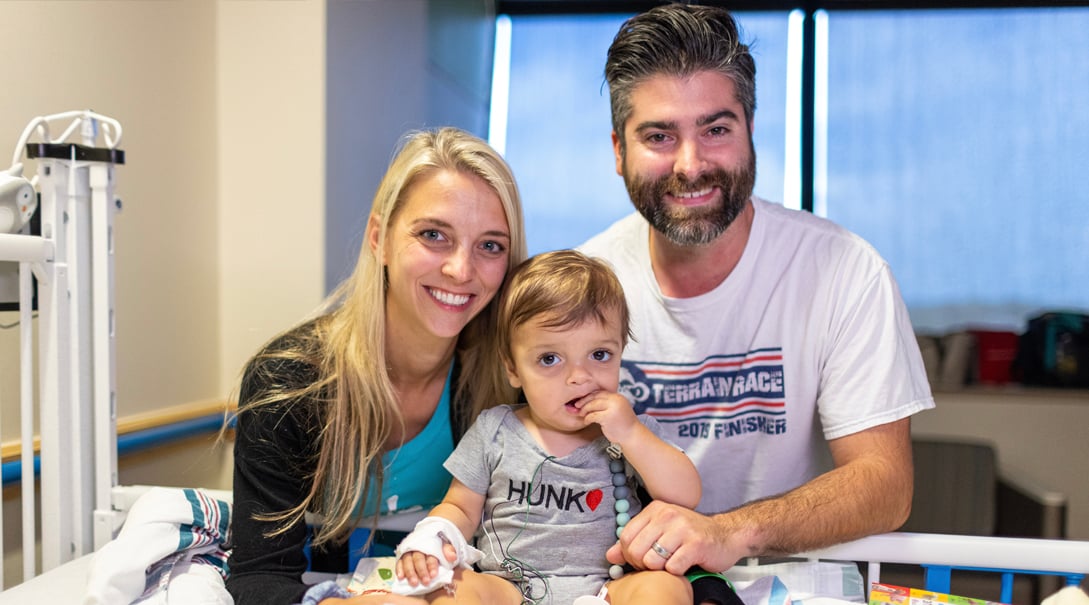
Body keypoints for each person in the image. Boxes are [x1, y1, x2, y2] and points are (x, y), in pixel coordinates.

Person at [578, 2, 936, 578]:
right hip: (624, 583)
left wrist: (730, 532)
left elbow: (886, 485)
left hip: (791, 582)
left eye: (716, 129)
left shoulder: (844, 269)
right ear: (619, 152)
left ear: (750, 132)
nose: (691, 166)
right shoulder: (581, 283)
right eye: (659, 136)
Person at [226, 127, 528, 605]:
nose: (461, 270)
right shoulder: (288, 384)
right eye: (434, 235)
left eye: (490, 245)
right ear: (379, 239)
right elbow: (258, 579)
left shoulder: (517, 386)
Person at [390, 250, 702, 605]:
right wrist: (433, 536)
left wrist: (631, 434)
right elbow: (460, 508)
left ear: (620, 353)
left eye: (600, 354)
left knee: (668, 588)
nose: (579, 377)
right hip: (508, 589)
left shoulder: (630, 432)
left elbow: (686, 495)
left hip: (608, 589)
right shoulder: (496, 430)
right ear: (513, 369)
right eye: (549, 359)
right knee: (449, 590)